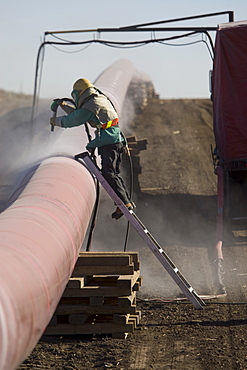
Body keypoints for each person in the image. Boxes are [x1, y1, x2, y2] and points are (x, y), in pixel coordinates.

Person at [50, 78, 135, 220]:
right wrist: (63, 105)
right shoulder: (97, 99)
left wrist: (56, 121)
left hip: (108, 140)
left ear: (78, 94)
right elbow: (79, 114)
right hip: (115, 138)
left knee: (108, 173)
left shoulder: (90, 104)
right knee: (112, 173)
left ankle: (124, 203)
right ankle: (124, 202)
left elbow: (74, 119)